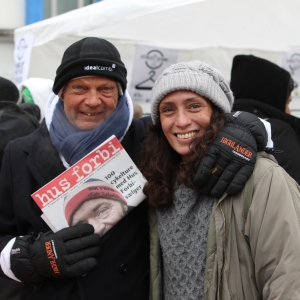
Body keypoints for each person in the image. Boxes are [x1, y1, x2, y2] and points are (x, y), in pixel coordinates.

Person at [0, 37, 268, 300]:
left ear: (120, 93)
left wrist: (240, 132)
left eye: (105, 89)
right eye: (79, 88)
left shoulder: (148, 137)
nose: (93, 101)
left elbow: (197, 124)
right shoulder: (19, 153)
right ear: (61, 93)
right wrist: (31, 257)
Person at [139, 60, 300, 300]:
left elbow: (287, 281)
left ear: (217, 113)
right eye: (168, 110)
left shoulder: (263, 178)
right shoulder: (159, 182)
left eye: (194, 106)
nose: (181, 121)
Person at [230, 54, 300, 184]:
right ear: (273, 100)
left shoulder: (223, 127)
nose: (289, 111)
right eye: (288, 103)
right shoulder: (279, 132)